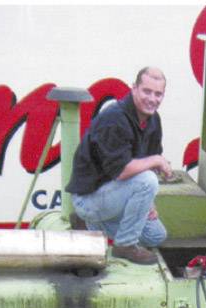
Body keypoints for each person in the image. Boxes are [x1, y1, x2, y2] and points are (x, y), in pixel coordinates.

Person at [66, 67, 173, 265]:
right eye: (147, 91)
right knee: (147, 181)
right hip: (90, 198)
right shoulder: (114, 118)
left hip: (114, 196)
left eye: (158, 94)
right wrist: (158, 160)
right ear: (134, 88)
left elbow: (145, 164)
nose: (152, 99)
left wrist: (149, 203)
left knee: (156, 236)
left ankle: (88, 225)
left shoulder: (153, 120)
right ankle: (124, 245)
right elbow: (123, 171)